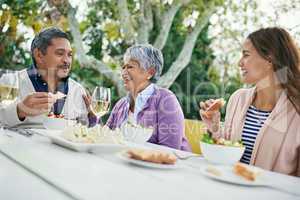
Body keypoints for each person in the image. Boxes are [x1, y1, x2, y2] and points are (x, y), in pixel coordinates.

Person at [200, 27, 300, 176]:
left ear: (269, 59)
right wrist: (214, 126)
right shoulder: (237, 99)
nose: (240, 63)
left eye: (246, 55)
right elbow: (226, 152)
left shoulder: (296, 111)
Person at [101, 44, 190, 151]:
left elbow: (169, 150)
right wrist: (92, 116)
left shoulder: (166, 100)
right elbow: (104, 137)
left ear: (150, 72)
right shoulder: (121, 104)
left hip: (167, 165)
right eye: (123, 67)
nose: (123, 73)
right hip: (127, 162)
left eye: (130, 67)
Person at [0, 27, 89, 127]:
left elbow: (84, 131)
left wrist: (92, 119)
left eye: (69, 55)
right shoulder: (10, 82)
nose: (66, 60)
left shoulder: (78, 91)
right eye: (60, 53)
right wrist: (19, 110)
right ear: (39, 55)